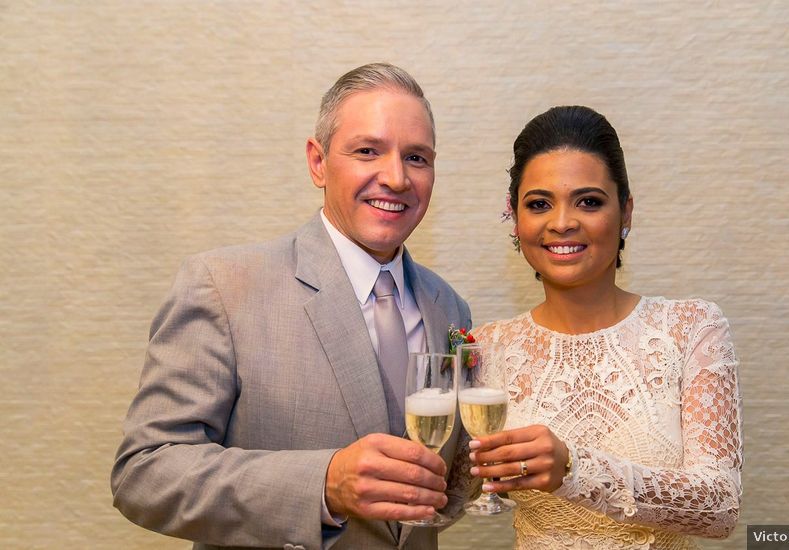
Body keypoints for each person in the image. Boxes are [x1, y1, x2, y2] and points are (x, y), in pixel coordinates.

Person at [111, 63, 471, 550]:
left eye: (417, 157)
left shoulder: (448, 308)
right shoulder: (224, 287)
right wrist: (323, 484)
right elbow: (145, 472)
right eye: (368, 151)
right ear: (318, 162)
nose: (396, 177)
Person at [466, 106, 742, 549]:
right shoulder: (487, 346)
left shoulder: (691, 330)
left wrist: (573, 470)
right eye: (539, 204)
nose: (561, 222)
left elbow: (721, 507)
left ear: (625, 212)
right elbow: (458, 487)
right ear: (515, 219)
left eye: (588, 201)